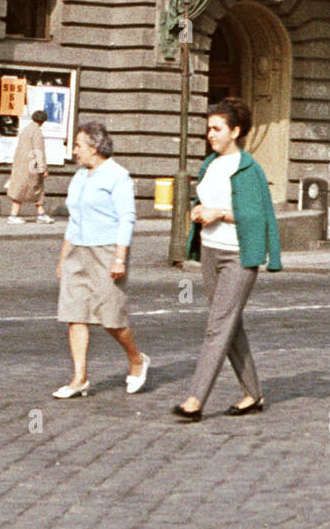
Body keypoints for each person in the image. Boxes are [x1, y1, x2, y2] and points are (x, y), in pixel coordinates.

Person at [173, 97, 281, 422]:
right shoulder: (210, 165)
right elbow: (204, 200)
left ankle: (195, 400)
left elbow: (257, 217)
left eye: (217, 128)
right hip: (210, 251)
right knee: (230, 325)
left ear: (235, 131)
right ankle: (253, 393)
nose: (211, 134)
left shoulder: (248, 168)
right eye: (208, 128)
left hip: (237, 256)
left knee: (217, 326)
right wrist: (198, 211)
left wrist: (218, 212)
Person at [53, 120, 149, 399]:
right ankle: (79, 378)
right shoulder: (80, 176)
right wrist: (63, 258)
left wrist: (120, 258)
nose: (74, 151)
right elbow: (74, 219)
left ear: (94, 148)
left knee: (111, 318)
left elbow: (126, 218)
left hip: (106, 252)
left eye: (78, 146)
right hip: (77, 252)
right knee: (75, 315)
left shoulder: (117, 175)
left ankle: (137, 360)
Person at [6, 109, 52, 223]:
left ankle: (35, 213)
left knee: (20, 189)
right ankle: (16, 215)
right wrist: (43, 168)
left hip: (21, 165)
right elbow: (38, 150)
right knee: (37, 188)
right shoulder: (37, 132)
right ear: (43, 121)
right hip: (32, 167)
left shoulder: (25, 130)